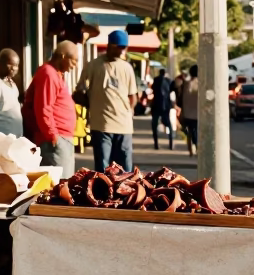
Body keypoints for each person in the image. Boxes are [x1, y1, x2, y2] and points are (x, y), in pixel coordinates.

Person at [74, 29, 137, 171]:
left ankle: (124, 194)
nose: (121, 51)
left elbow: (133, 96)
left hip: (124, 127)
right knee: (102, 169)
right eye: (119, 47)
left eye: (124, 48)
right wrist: (92, 102)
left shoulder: (127, 68)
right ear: (110, 45)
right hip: (101, 126)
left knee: (125, 169)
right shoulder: (94, 65)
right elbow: (78, 92)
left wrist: (129, 112)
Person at [23, 40, 78, 176]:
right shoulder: (49, 73)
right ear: (63, 56)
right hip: (55, 139)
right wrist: (52, 135)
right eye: (73, 61)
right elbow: (43, 107)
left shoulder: (55, 73)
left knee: (65, 181)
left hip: (62, 138)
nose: (74, 67)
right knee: (59, 184)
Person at [150, 68, 173, 151]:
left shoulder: (156, 80)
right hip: (166, 105)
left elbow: (153, 89)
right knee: (169, 125)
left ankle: (156, 144)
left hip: (156, 105)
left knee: (154, 125)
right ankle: (171, 143)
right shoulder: (168, 81)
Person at [179, 64, 199, 156]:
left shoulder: (186, 83)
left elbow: (181, 97)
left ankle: (190, 151)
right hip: (198, 113)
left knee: (190, 133)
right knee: (197, 132)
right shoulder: (202, 83)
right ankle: (198, 148)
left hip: (187, 113)